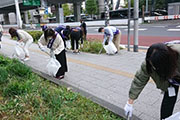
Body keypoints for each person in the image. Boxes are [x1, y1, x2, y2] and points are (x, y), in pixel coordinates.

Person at [124, 42, 180, 119]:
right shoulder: (149, 63)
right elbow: (139, 80)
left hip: (175, 72)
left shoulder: (177, 54)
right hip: (170, 80)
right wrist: (130, 102)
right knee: (169, 99)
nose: (154, 68)